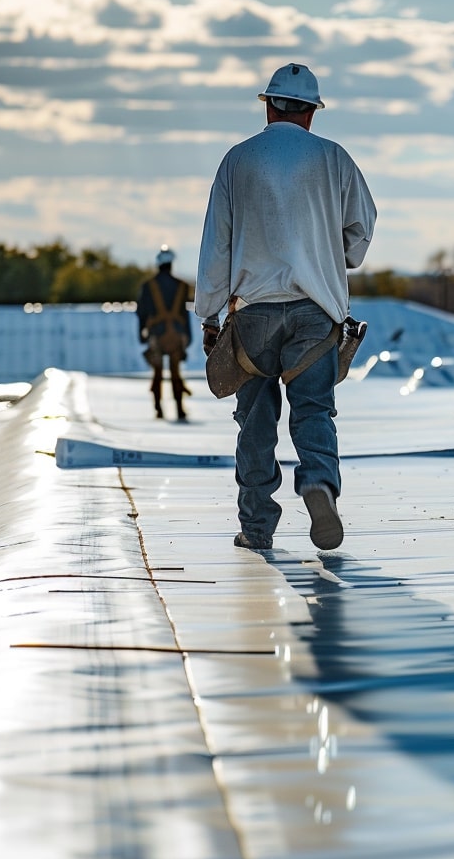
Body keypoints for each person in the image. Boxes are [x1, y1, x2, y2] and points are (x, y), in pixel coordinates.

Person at [196, 63, 377, 552]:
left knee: (255, 424)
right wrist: (333, 257)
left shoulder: (238, 160)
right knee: (314, 412)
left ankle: (256, 529)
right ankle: (318, 483)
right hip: (315, 314)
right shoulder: (335, 159)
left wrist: (210, 315)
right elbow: (362, 228)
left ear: (268, 104)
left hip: (252, 313)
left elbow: (218, 243)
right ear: (312, 113)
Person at [137, 245, 192, 421]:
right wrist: (187, 337)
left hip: (156, 335)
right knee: (176, 373)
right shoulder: (182, 286)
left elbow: (142, 313)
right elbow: (185, 315)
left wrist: (141, 334)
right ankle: (179, 409)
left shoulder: (148, 286)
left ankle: (159, 409)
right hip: (176, 335)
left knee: (157, 373)